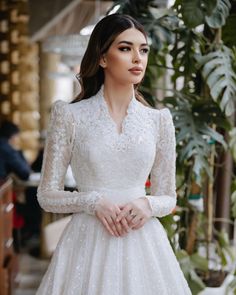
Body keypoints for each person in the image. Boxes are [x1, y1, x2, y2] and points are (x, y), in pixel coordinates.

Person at [36, 14, 191, 295]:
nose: (137, 58)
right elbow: (47, 195)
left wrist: (146, 205)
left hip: (144, 244)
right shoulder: (69, 115)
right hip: (86, 244)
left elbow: (168, 196)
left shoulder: (159, 121)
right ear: (103, 58)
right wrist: (93, 201)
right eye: (125, 48)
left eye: (143, 50)